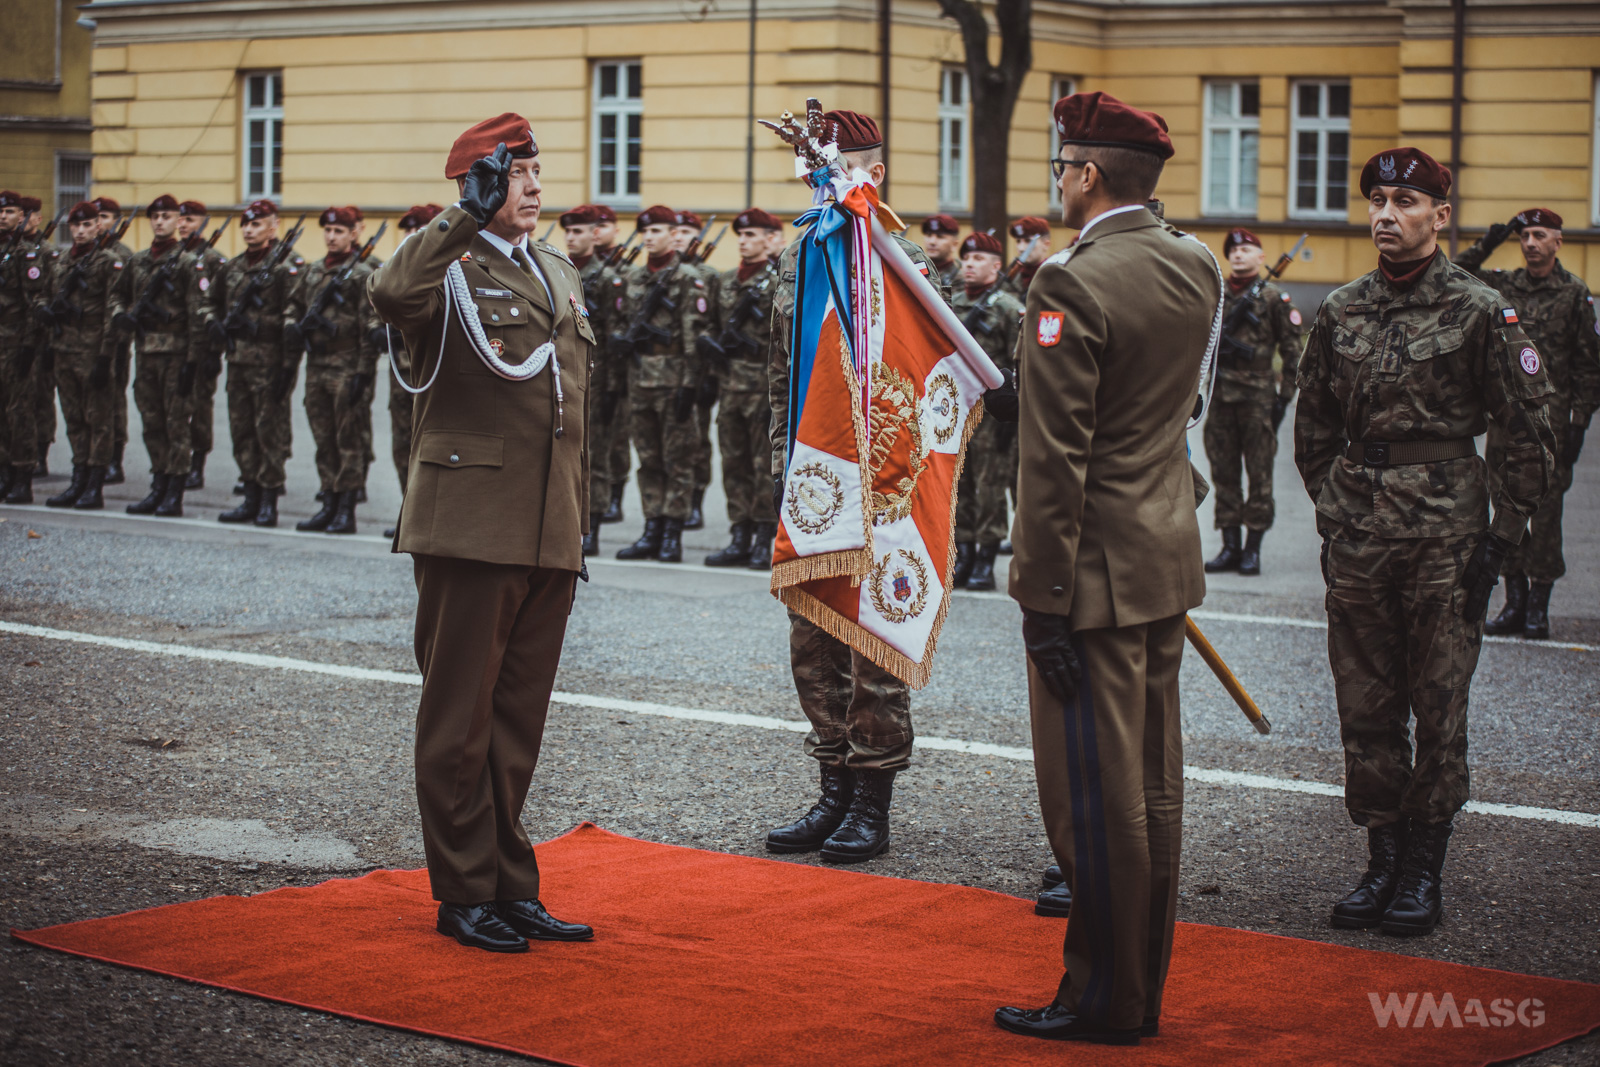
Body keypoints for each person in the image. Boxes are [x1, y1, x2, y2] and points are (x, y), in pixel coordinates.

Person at [995, 91, 1218, 1047]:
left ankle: (1103, 998)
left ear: (1087, 176)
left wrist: (1039, 597)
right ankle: (1138, 987)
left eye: (1061, 167)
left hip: (1090, 578)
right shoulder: (1193, 264)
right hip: (1161, 562)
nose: (1058, 182)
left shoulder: (1068, 282)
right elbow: (1164, 420)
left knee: (1093, 797)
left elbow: (1056, 464)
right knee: (1153, 789)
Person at [1294, 148, 1556, 938]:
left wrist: (1500, 542)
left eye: (1405, 200)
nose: (1385, 213)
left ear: (1440, 216)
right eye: (1377, 198)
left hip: (1447, 537)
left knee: (1437, 706)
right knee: (1365, 704)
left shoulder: (1483, 309)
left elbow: (1528, 435)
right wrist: (1336, 512)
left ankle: (1423, 870)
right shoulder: (1342, 309)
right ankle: (1380, 859)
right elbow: (1312, 426)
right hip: (1361, 536)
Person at [368, 112, 595, 953]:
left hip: (546, 531)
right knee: (459, 720)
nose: (533, 188)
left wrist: (577, 523)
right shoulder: (446, 264)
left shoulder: (559, 271)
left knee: (515, 725)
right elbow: (390, 295)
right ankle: (462, 889)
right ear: (476, 184)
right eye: (515, 175)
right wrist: (462, 213)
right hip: (470, 526)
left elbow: (572, 416)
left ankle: (508, 884)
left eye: (536, 173)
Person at [765, 109, 949, 865]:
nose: (820, 178)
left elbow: (930, 373)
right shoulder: (800, 253)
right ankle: (832, 783)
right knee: (812, 637)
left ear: (871, 172)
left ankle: (871, 793)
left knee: (869, 639)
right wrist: (780, 467)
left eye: (834, 165)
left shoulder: (899, 260)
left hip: (880, 482)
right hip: (811, 476)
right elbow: (782, 373)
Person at [1456, 208, 1600, 640]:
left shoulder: (1576, 294)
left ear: (1558, 241)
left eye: (1540, 235)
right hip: (1505, 420)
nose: (1531, 243)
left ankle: (1539, 607)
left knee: (1548, 513)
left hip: (1550, 427)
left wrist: (1580, 423)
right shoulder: (1506, 284)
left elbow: (1589, 365)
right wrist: (1491, 240)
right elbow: (1457, 273)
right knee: (1504, 508)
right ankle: (1513, 603)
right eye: (1525, 236)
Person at [612, 205, 713, 563]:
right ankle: (652, 527)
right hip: (640, 379)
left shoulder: (687, 278)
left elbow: (693, 337)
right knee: (649, 459)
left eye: (657, 230)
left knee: (679, 460)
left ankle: (672, 532)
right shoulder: (634, 279)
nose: (650, 237)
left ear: (674, 235)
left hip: (674, 381)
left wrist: (690, 386)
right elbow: (623, 323)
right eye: (646, 232)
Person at [1202, 227, 1304, 576]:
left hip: (1258, 399)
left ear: (1261, 258)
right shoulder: (1215, 295)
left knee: (1259, 475)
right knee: (1224, 473)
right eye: (1233, 249)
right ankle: (1230, 546)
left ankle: (1252, 549)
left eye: (1247, 249)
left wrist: (1284, 399)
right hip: (1219, 398)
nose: (1238, 254)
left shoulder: (1274, 299)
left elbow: (1293, 355)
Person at [208, 199, 305, 527]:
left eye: (257, 224)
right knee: (242, 430)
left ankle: (268, 500)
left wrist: (288, 368)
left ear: (273, 225)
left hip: (271, 364)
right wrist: (215, 325)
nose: (249, 229)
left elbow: (295, 319)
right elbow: (210, 304)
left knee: (270, 433)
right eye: (246, 225)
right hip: (238, 362)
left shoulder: (287, 267)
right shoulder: (232, 267)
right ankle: (249, 496)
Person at [285, 205, 381, 534]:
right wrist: (291, 326)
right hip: (317, 364)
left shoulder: (364, 272)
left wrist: (363, 372)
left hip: (348, 364)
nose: (331, 236)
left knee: (349, 439)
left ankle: (346, 509)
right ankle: (328, 502)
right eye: (327, 230)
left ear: (355, 233)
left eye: (339, 231)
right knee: (324, 439)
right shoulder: (313, 271)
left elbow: (372, 324)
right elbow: (293, 305)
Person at [117, 194, 206, 517]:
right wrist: (122, 315)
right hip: (146, 352)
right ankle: (158, 484)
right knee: (152, 423)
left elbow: (198, 315)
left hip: (176, 354)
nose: (160, 222)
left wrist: (193, 363)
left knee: (176, 425)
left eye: (167, 217)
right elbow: (119, 295)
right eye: (155, 216)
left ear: (177, 221)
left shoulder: (186, 262)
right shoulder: (138, 260)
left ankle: (174, 493)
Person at [703, 207, 781, 569]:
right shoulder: (725, 281)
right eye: (743, 236)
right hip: (730, 385)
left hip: (763, 388)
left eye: (753, 235)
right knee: (734, 463)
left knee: (763, 463)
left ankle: (765, 536)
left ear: (771, 240)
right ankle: (739, 534)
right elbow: (710, 325)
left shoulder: (780, 280)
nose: (745, 241)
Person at [37, 201, 127, 510]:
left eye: (87, 225)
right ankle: (78, 479)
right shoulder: (60, 261)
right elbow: (44, 294)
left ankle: (94, 485)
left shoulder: (108, 263)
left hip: (92, 350)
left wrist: (105, 356)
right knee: (74, 419)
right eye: (75, 226)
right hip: (63, 349)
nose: (80, 230)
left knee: (98, 420)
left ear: (98, 227)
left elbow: (113, 310)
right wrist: (44, 314)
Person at [948, 231, 1023, 590]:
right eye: (966, 258)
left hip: (993, 415)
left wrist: (1014, 410)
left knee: (989, 486)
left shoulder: (1008, 308)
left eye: (978, 259)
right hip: (956, 409)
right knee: (959, 483)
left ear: (996, 266)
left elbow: (1020, 362)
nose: (969, 265)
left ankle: (985, 559)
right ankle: (962, 553)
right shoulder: (950, 302)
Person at [377, 203, 444, 539]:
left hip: (433, 378)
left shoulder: (449, 273)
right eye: (406, 230)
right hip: (401, 377)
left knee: (433, 447)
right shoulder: (393, 273)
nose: (410, 237)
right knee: (402, 444)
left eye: (418, 230)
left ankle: (438, 516)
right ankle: (410, 509)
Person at [561, 204, 623, 557]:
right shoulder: (561, 271)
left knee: (592, 454)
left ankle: (592, 526)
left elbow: (613, 338)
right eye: (568, 232)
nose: (572, 237)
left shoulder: (605, 276)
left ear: (594, 235)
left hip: (597, 377)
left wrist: (613, 386)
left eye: (579, 231)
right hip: (566, 373)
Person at [671, 209, 718, 531]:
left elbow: (714, 325)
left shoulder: (709, 276)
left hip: (698, 371)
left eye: (684, 232)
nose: (677, 238)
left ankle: (696, 502)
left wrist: (709, 376)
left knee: (698, 441)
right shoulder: (665, 274)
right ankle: (674, 501)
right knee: (673, 442)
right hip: (667, 371)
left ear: (697, 239)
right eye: (673, 232)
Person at [176, 200, 228, 490]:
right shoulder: (172, 257)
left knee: (199, 408)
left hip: (201, 348)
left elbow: (213, 308)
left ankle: (197, 464)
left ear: (203, 222)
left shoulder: (212, 260)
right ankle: (176, 462)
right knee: (175, 408)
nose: (183, 223)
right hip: (173, 347)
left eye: (190, 219)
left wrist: (211, 352)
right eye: (180, 219)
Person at [587, 203, 631, 525]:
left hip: (613, 366)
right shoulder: (581, 267)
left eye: (604, 225)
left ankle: (613, 496)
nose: (598, 231)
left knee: (614, 437)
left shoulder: (623, 272)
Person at [93, 197, 135, 485]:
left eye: (104, 216)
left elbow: (125, 302)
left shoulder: (122, 255)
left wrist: (120, 342)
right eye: (95, 216)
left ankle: (114, 461)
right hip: (86, 340)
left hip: (115, 340)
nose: (98, 222)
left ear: (116, 221)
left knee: (114, 401)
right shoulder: (87, 252)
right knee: (91, 403)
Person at [1004, 216, 1052, 301]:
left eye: (1028, 241)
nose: (1021, 248)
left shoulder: (1054, 276)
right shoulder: (1012, 276)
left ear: (1046, 244)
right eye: (1018, 241)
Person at [919, 214, 962, 289]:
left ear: (954, 244)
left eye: (940, 237)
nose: (932, 242)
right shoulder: (917, 270)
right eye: (929, 235)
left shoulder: (962, 277)